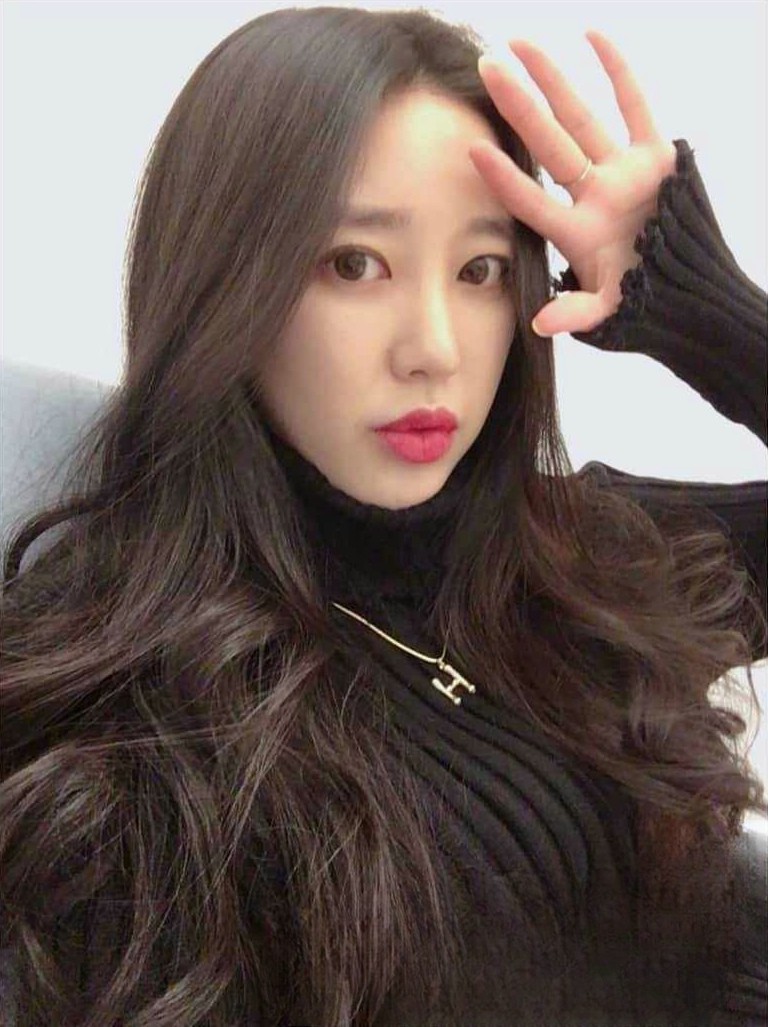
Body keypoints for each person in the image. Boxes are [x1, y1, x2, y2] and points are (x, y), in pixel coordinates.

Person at [1, 6, 766, 1026]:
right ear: (227, 286)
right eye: (356, 264)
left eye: (481, 270)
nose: (435, 348)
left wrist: (706, 308)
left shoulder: (580, 555)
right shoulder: (140, 720)